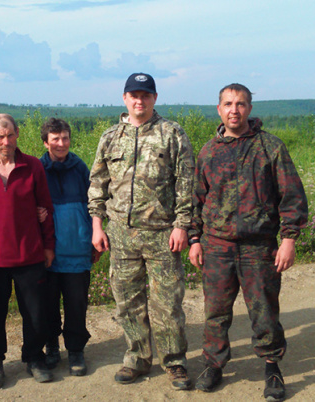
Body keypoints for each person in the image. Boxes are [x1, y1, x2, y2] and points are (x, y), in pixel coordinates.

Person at [189, 83, 308, 401]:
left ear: (249, 109)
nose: (234, 109)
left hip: (259, 246)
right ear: (219, 109)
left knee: (264, 311)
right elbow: (196, 200)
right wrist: (194, 239)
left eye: (240, 104)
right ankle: (213, 365)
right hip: (217, 246)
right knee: (215, 311)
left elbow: (292, 197)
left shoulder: (270, 147)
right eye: (228, 103)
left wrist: (289, 240)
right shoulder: (208, 151)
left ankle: (272, 368)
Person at [88, 73, 195, 389]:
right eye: (134, 94)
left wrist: (182, 225)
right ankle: (137, 358)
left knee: (167, 303)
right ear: (124, 99)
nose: (139, 100)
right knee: (127, 302)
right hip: (121, 233)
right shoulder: (110, 137)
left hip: (163, 233)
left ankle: (174, 362)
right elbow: (98, 183)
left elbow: (186, 182)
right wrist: (97, 225)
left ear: (155, 98)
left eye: (145, 95)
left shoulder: (171, 134)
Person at [0, 113, 56, 387]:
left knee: (34, 311)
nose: (6, 142)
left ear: (17, 134)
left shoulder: (32, 167)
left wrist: (48, 245)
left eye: (10, 136)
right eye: (0, 137)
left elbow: (46, 207)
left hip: (30, 252)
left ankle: (34, 358)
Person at [39, 117, 99, 377]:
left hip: (77, 247)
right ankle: (51, 345)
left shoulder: (80, 168)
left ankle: (75, 349)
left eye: (65, 138)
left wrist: (95, 239)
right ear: (46, 142)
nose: (61, 143)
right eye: (55, 139)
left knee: (76, 304)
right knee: (48, 303)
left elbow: (94, 205)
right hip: (49, 252)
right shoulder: (37, 169)